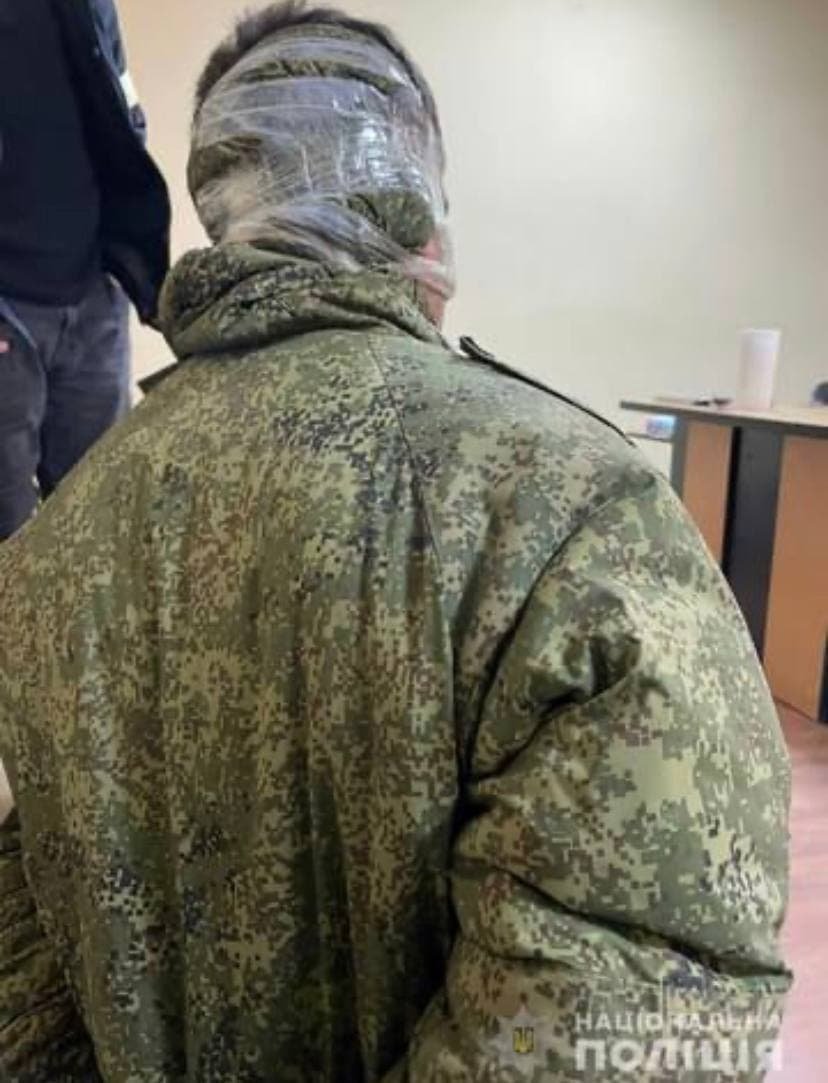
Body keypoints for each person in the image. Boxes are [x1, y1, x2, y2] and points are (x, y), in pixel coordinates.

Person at [0, 3, 791, 1079]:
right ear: (426, 229)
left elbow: (29, 989)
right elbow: (648, 1012)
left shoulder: (49, 551)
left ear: (221, 213)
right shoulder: (578, 514)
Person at [0, 0, 170, 541]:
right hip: (9, 317)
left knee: (101, 527)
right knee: (8, 540)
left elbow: (121, 110)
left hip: (94, 299)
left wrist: (122, 267)